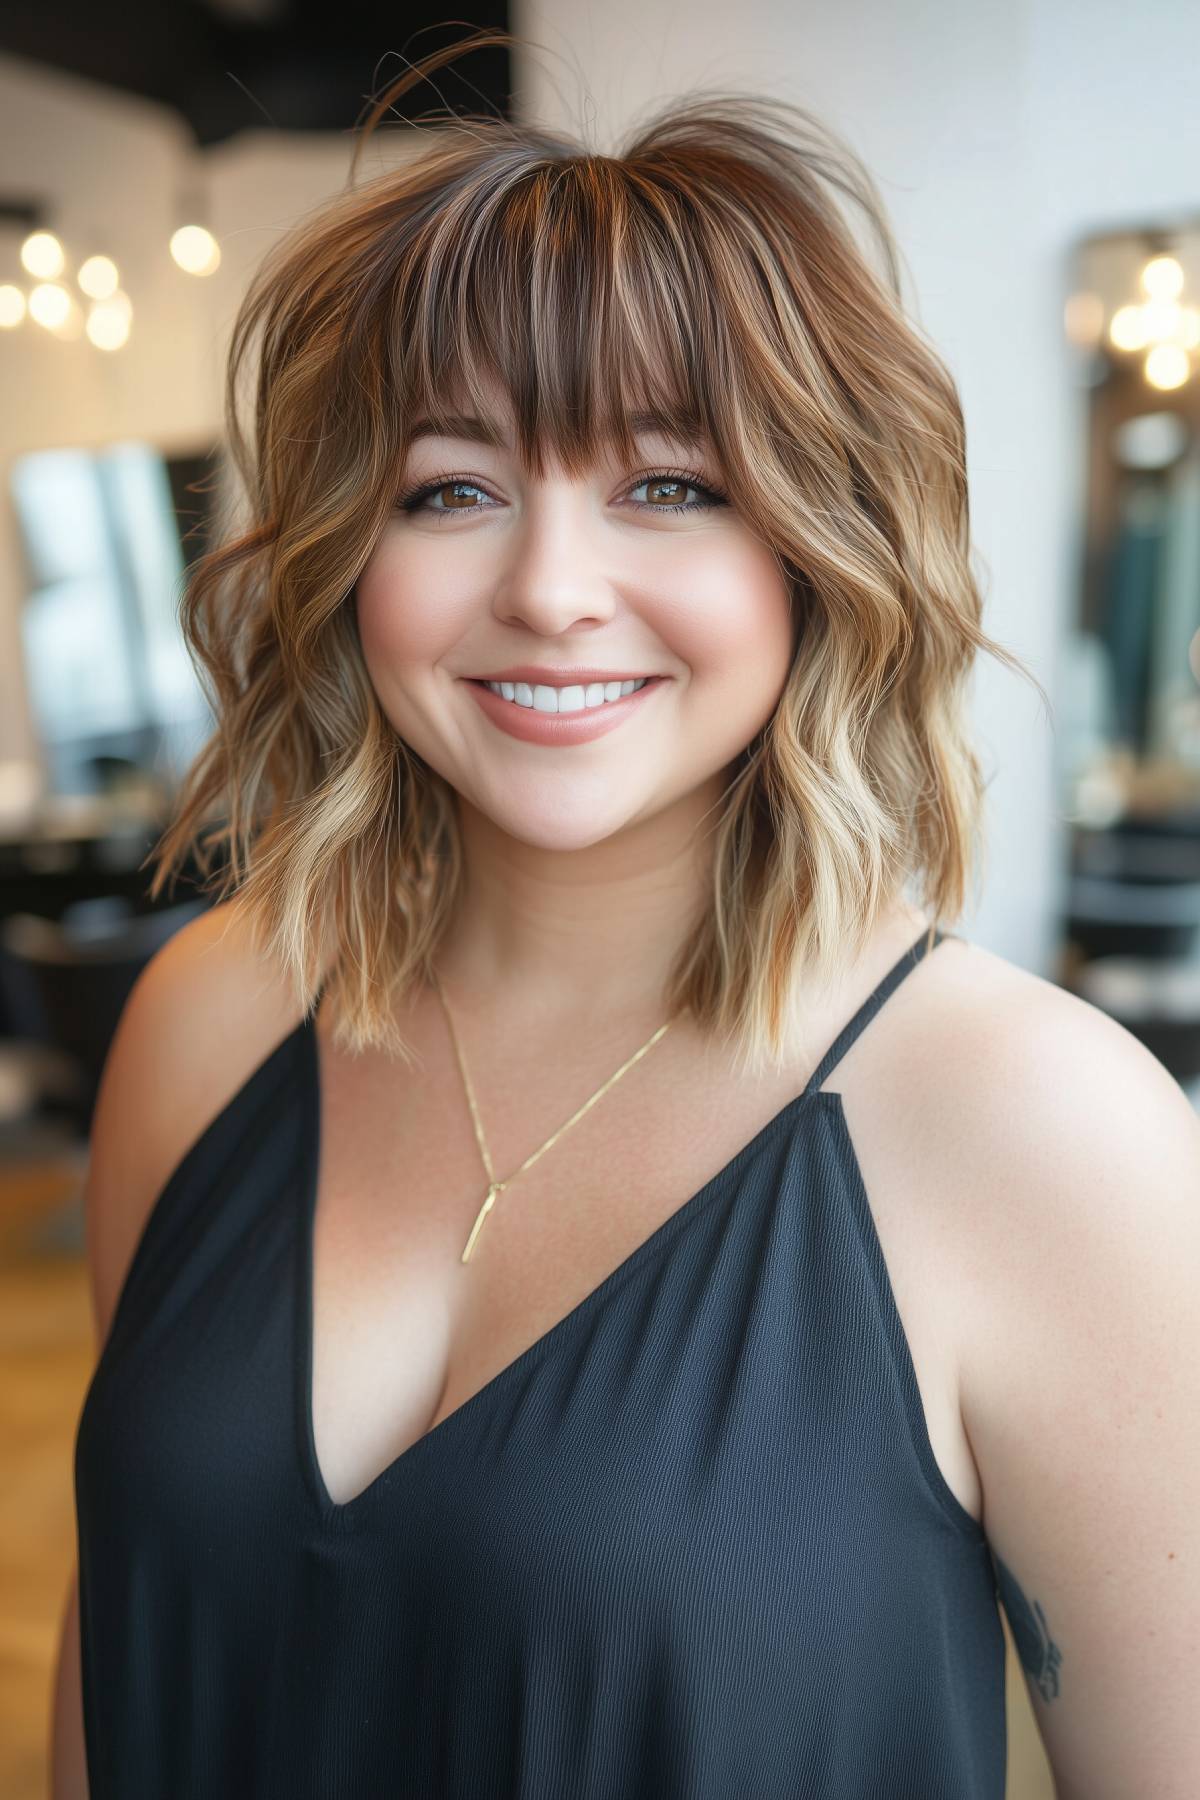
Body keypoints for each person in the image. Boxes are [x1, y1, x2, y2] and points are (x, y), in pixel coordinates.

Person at [52, 30, 1200, 1800]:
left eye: (670, 485)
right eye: (454, 488)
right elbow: (107, 1678)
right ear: (351, 553)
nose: (550, 591)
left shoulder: (1041, 1131)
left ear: (819, 547)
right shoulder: (209, 1018)